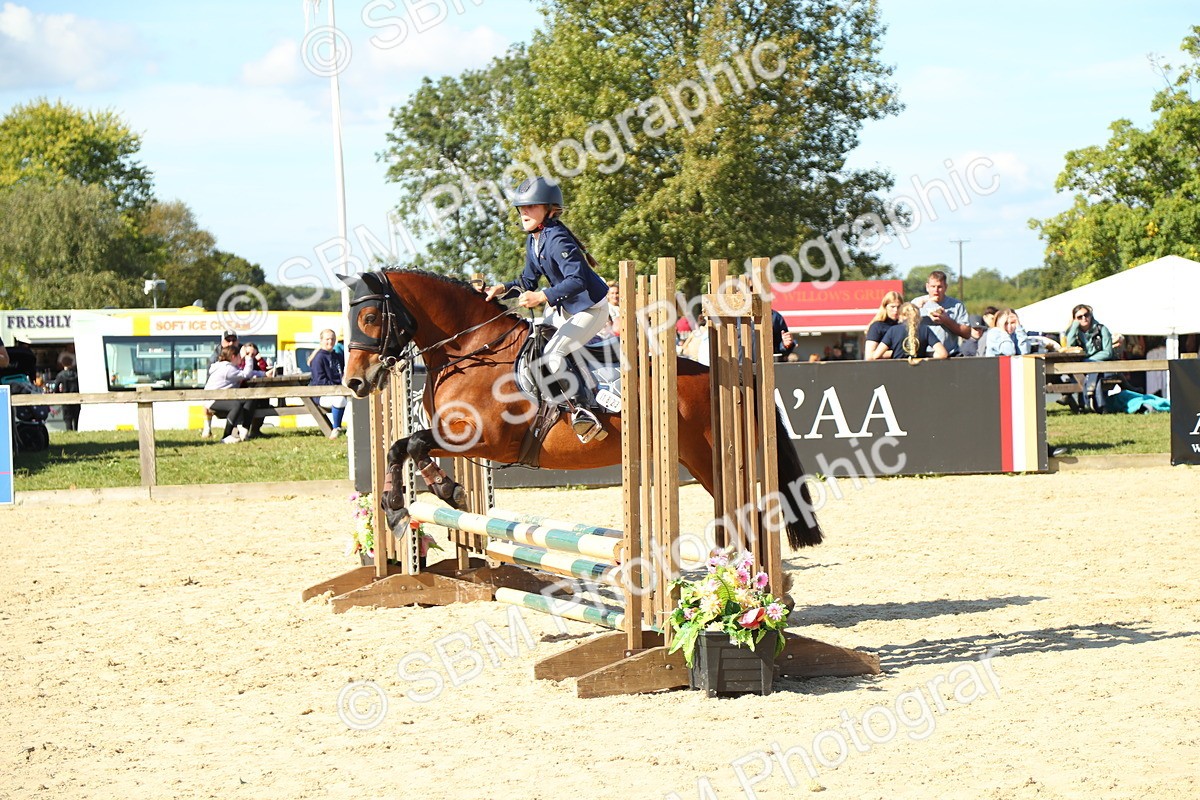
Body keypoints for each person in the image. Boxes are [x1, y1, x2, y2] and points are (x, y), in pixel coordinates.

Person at [485, 177, 610, 443]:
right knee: (533, 342)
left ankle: (585, 412)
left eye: (531, 207)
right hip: (566, 308)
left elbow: (576, 281)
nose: (524, 213)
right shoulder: (535, 240)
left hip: (590, 308)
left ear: (549, 209)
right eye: (522, 208)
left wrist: (542, 296)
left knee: (553, 354)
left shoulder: (558, 240)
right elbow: (526, 282)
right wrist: (502, 289)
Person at [1062, 304, 1114, 413]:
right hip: (1082, 368)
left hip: (1104, 366)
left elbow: (1108, 352)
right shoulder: (1074, 332)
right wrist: (1074, 326)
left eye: (1086, 315)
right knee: (1084, 375)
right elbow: (1069, 348)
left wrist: (1089, 361)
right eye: (1079, 317)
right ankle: (1095, 405)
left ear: (1091, 315)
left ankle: (1095, 405)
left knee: (1096, 375)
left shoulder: (1102, 329)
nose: (1084, 318)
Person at [203, 344, 260, 443]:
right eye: (239, 356)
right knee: (235, 405)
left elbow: (244, 372)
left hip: (220, 398)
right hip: (213, 400)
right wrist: (249, 358)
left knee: (250, 399)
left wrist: (263, 374)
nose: (241, 358)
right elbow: (246, 374)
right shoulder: (227, 368)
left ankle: (244, 429)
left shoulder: (229, 367)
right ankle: (226, 436)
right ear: (233, 357)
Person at [912, 270, 970, 355]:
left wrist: (946, 320)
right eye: (933, 286)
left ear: (945, 287)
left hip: (950, 354)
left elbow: (967, 334)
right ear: (927, 287)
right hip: (922, 355)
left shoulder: (956, 305)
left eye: (939, 287)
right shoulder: (916, 303)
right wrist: (915, 310)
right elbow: (903, 325)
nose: (936, 290)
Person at [310, 328, 348, 438]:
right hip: (321, 395)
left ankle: (351, 430)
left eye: (332, 339)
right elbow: (320, 381)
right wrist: (338, 388)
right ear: (321, 340)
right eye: (327, 339)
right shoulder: (318, 358)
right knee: (339, 399)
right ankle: (336, 428)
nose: (330, 342)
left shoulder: (337, 356)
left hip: (338, 390)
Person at [879, 302, 948, 360]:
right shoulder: (925, 329)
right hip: (919, 370)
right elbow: (943, 354)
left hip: (897, 370)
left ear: (900, 316)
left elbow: (876, 355)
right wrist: (926, 354)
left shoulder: (893, 330)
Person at [864, 291, 903, 360]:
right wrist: (898, 352)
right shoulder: (877, 326)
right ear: (885, 307)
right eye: (892, 307)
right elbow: (869, 356)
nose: (896, 310)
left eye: (899, 307)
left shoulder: (904, 325)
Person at [53, 354, 81, 431]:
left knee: (67, 418)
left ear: (62, 364)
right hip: (76, 398)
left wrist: (58, 394)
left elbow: (56, 388)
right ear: (72, 363)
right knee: (76, 417)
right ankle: (76, 431)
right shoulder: (77, 374)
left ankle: (69, 431)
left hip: (66, 398)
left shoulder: (60, 375)